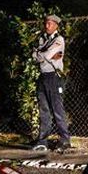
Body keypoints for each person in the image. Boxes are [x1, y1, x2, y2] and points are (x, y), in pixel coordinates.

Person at [31, 14, 70, 152]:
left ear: (56, 26)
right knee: (44, 110)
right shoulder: (42, 39)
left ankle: (65, 139)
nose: (47, 26)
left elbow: (44, 55)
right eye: (46, 23)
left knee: (57, 110)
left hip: (54, 77)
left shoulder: (59, 40)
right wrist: (44, 54)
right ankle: (43, 141)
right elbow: (35, 56)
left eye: (50, 24)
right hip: (43, 77)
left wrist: (43, 54)